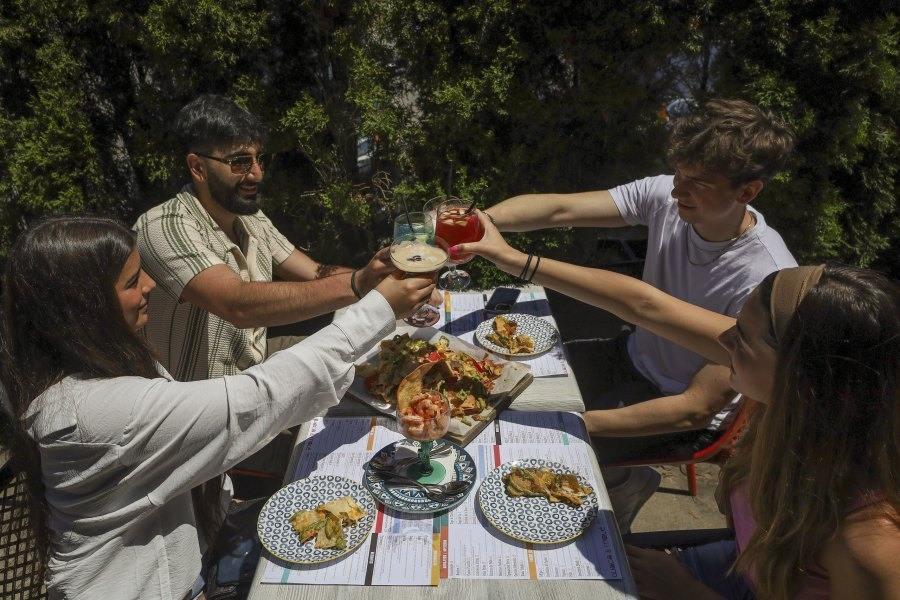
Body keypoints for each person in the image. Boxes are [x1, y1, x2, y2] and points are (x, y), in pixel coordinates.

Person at [454, 213, 899, 599]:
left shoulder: (869, 542)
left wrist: (687, 591)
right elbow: (646, 307)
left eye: (741, 338)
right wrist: (512, 258)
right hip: (737, 567)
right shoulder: (799, 415)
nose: (722, 342)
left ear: (806, 379)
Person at [0, 216, 434, 600]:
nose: (150, 286)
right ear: (83, 311)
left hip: (198, 552)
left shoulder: (84, 370)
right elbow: (257, 400)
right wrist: (379, 308)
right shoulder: (95, 413)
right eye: (132, 282)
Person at [484, 99, 797, 526]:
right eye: (678, 174)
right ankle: (622, 478)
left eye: (698, 183)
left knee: (534, 445)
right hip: (633, 356)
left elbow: (694, 408)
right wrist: (480, 220)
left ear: (747, 192)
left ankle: (625, 484)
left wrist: (573, 422)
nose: (677, 191)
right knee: (508, 384)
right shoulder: (669, 196)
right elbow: (561, 209)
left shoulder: (766, 279)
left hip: (675, 406)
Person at [135, 94, 435, 382]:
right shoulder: (163, 225)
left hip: (256, 363)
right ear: (198, 167)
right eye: (240, 162)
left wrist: (387, 277)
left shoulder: (248, 217)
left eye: (258, 160)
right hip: (200, 405)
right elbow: (236, 303)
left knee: (378, 363)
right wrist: (360, 285)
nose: (257, 174)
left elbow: (316, 273)